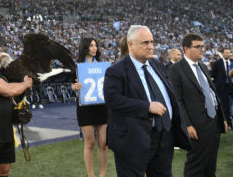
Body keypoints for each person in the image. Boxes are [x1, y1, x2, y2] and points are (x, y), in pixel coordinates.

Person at [104, 25, 190, 177]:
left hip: (164, 136)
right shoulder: (116, 70)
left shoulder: (156, 63)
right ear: (130, 44)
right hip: (133, 139)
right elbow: (113, 100)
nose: (150, 46)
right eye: (145, 43)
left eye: (151, 42)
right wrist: (146, 106)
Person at [167, 33, 227, 177]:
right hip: (196, 124)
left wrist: (222, 117)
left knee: (210, 163)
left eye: (203, 46)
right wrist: (187, 124)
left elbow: (212, 94)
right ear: (186, 49)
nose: (202, 49)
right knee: (195, 165)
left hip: (213, 121)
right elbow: (177, 100)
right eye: (198, 47)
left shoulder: (202, 66)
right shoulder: (175, 69)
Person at [0, 38, 33, 177]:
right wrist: (25, 84)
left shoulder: (1, 74)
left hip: (5, 130)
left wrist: (17, 111)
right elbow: (8, 90)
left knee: (3, 171)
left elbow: (10, 97)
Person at [72, 37, 108, 177]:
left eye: (96, 46)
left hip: (102, 107)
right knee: (90, 143)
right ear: (85, 47)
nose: (94, 48)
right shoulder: (77, 66)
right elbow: (71, 85)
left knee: (103, 142)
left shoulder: (102, 66)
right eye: (91, 46)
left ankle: (102, 175)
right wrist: (75, 86)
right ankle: (91, 175)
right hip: (85, 107)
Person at [211, 47, 233, 129]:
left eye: (229, 52)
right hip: (223, 87)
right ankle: (229, 124)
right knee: (225, 106)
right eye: (227, 52)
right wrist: (217, 85)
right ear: (223, 53)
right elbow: (212, 75)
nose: (228, 54)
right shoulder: (217, 63)